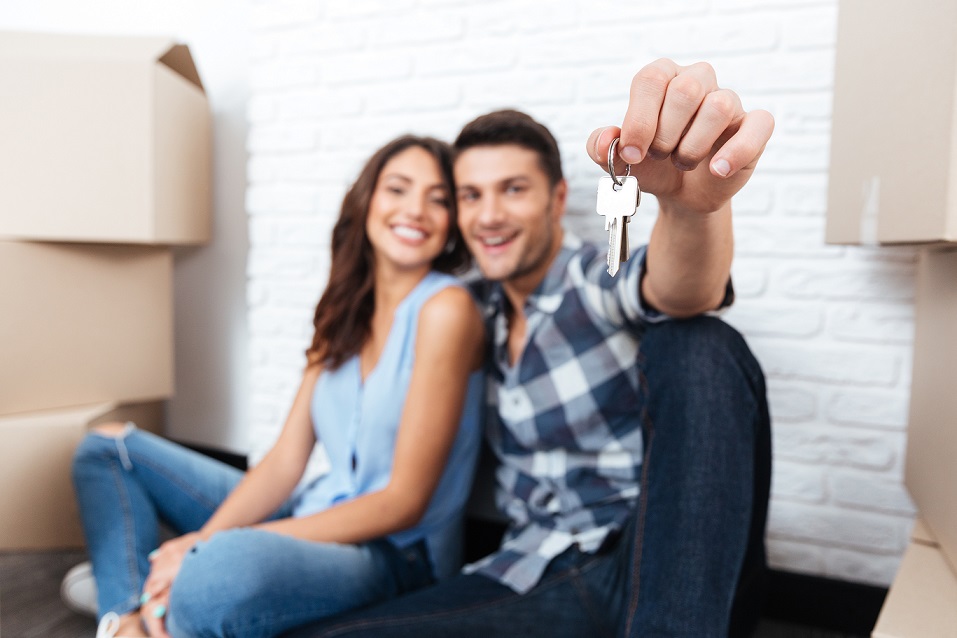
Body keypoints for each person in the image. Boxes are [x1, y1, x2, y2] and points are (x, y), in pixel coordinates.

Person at [284, 59, 774, 637]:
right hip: (539, 572)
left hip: (660, 559)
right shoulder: (463, 311)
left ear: (557, 197)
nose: (489, 215)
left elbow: (677, 291)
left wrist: (689, 210)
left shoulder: (589, 280)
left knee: (700, 342)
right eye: (470, 195)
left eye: (513, 190)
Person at [68, 135, 486, 638]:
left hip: (394, 554)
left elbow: (404, 502)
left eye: (438, 198)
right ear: (367, 201)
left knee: (219, 572)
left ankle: (132, 587)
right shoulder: (345, 308)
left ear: (452, 222)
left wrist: (205, 548)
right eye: (397, 189)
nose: (415, 209)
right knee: (108, 448)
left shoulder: (447, 310)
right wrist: (205, 540)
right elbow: (286, 459)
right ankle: (126, 620)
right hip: (315, 508)